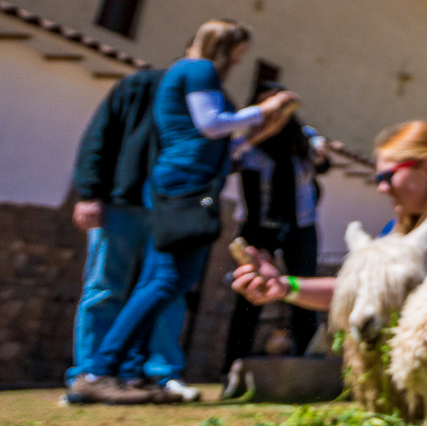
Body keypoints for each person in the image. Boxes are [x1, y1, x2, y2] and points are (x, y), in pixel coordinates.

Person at [69, 20, 297, 404]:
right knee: (162, 281)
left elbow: (210, 140)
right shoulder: (198, 70)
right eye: (239, 50)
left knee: (162, 283)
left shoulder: (189, 77)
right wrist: (264, 109)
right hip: (180, 188)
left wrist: (255, 133)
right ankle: (98, 370)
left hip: (179, 185)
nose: (241, 60)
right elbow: (210, 127)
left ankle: (124, 371)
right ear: (226, 47)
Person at [232, 122, 427, 313]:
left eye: (388, 176)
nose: (381, 188)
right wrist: (285, 286)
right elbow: (358, 289)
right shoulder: (398, 232)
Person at [66, 63, 198, 403]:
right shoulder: (136, 87)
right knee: (104, 287)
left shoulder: (201, 102)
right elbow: (99, 137)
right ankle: (90, 372)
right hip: (119, 203)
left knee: (167, 289)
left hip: (169, 211)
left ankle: (159, 374)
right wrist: (89, 193)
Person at [223, 83, 329, 366]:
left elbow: (322, 161)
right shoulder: (248, 145)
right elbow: (225, 162)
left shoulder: (303, 141)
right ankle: (235, 366)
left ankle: (309, 364)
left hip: (301, 227)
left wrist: (321, 152)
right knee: (251, 296)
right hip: (259, 228)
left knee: (304, 294)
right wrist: (260, 134)